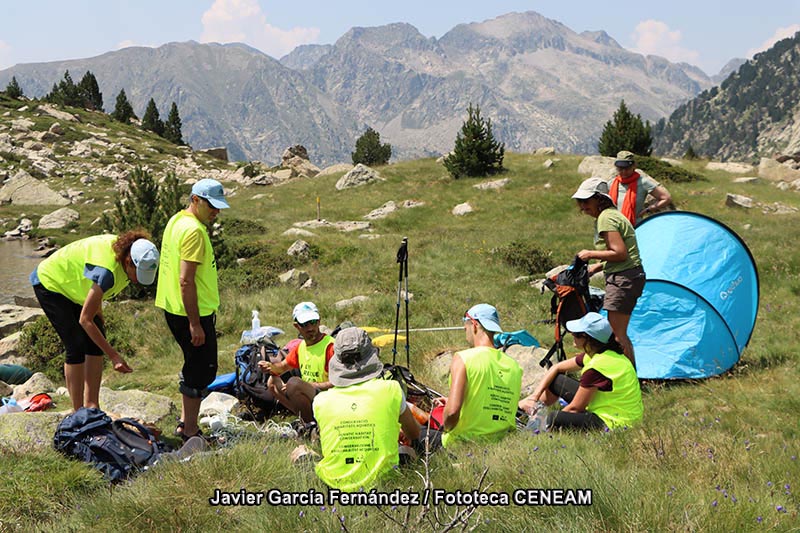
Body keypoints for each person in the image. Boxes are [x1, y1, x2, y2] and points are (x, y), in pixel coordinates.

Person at [30, 231, 159, 412]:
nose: (138, 280)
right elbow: (85, 319)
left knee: (95, 341)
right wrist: (114, 356)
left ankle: (92, 406)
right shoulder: (108, 271)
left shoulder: (129, 254)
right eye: (138, 274)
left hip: (74, 288)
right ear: (129, 262)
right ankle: (78, 413)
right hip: (51, 282)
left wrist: (98, 316)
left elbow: (95, 292)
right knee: (75, 346)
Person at [155, 178, 229, 441]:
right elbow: (186, 280)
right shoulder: (194, 232)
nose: (216, 212)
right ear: (195, 200)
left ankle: (186, 423)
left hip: (173, 307)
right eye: (212, 205)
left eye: (219, 207)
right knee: (201, 370)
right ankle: (190, 431)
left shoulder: (177, 221)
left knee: (194, 365)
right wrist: (195, 323)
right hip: (191, 312)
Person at [313, 327, 420, 491]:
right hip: (385, 483)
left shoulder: (321, 401)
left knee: (302, 452)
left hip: (333, 485)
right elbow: (414, 434)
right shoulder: (391, 389)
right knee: (408, 451)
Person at [518, 313, 643, 431]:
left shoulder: (596, 367)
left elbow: (575, 408)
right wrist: (533, 397)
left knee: (552, 419)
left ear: (588, 339)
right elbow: (556, 368)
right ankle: (530, 408)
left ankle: (530, 421)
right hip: (617, 409)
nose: (572, 334)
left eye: (576, 333)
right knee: (557, 380)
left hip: (615, 422)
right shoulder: (602, 353)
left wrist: (544, 420)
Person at [572, 176, 644, 366]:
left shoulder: (606, 218)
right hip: (629, 275)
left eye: (587, 201)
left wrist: (590, 254)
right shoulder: (612, 214)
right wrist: (597, 266)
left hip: (623, 278)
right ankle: (629, 378)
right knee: (619, 333)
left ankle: (629, 380)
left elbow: (620, 253)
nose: (583, 206)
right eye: (580, 202)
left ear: (599, 199)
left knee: (617, 336)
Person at [436, 303, 522, 448]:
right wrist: (453, 400)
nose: (465, 332)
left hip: (463, 443)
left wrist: (446, 427)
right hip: (501, 442)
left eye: (466, 327)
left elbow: (451, 412)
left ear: (474, 325)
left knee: (416, 433)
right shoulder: (514, 366)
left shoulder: (463, 358)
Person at [257, 301, 334, 424]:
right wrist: (270, 367)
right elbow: (282, 367)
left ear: (319, 321)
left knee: (294, 383)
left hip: (330, 397)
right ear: (296, 326)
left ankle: (310, 426)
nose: (310, 328)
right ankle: (306, 421)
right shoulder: (301, 347)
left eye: (313, 322)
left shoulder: (331, 346)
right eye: (304, 324)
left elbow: (339, 383)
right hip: (313, 394)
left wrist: (310, 385)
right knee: (272, 382)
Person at [608, 150, 672, 226]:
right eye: (620, 169)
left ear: (634, 166)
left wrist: (648, 209)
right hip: (614, 227)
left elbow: (666, 198)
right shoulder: (611, 183)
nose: (624, 172)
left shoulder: (643, 182)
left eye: (627, 168)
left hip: (635, 227)